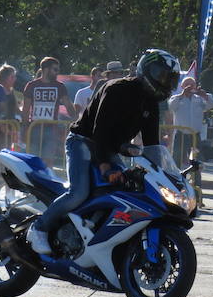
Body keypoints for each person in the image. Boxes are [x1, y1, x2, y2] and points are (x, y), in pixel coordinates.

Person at [26, 49, 181, 255]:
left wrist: (164, 176)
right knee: (78, 192)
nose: (165, 82)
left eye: (170, 79)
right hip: (83, 140)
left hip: (111, 146)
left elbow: (152, 144)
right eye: (161, 75)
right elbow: (101, 131)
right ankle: (39, 228)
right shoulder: (116, 89)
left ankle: (95, 234)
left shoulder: (151, 104)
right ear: (146, 69)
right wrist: (105, 166)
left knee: (124, 191)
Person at [22, 57, 76, 167]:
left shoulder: (59, 86)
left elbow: (68, 105)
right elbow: (26, 109)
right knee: (33, 159)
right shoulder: (31, 85)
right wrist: (25, 128)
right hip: (34, 128)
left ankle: (46, 182)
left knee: (48, 161)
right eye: (55, 69)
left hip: (51, 129)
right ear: (46, 69)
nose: (57, 72)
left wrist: (76, 120)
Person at [168, 77, 213, 166]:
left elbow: (212, 104)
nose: (189, 87)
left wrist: (205, 95)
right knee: (176, 159)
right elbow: (171, 107)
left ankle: (196, 179)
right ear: (182, 86)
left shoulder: (200, 99)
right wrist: (182, 95)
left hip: (195, 135)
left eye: (192, 85)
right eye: (187, 85)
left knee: (196, 160)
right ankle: (176, 178)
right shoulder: (176, 98)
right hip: (181, 134)